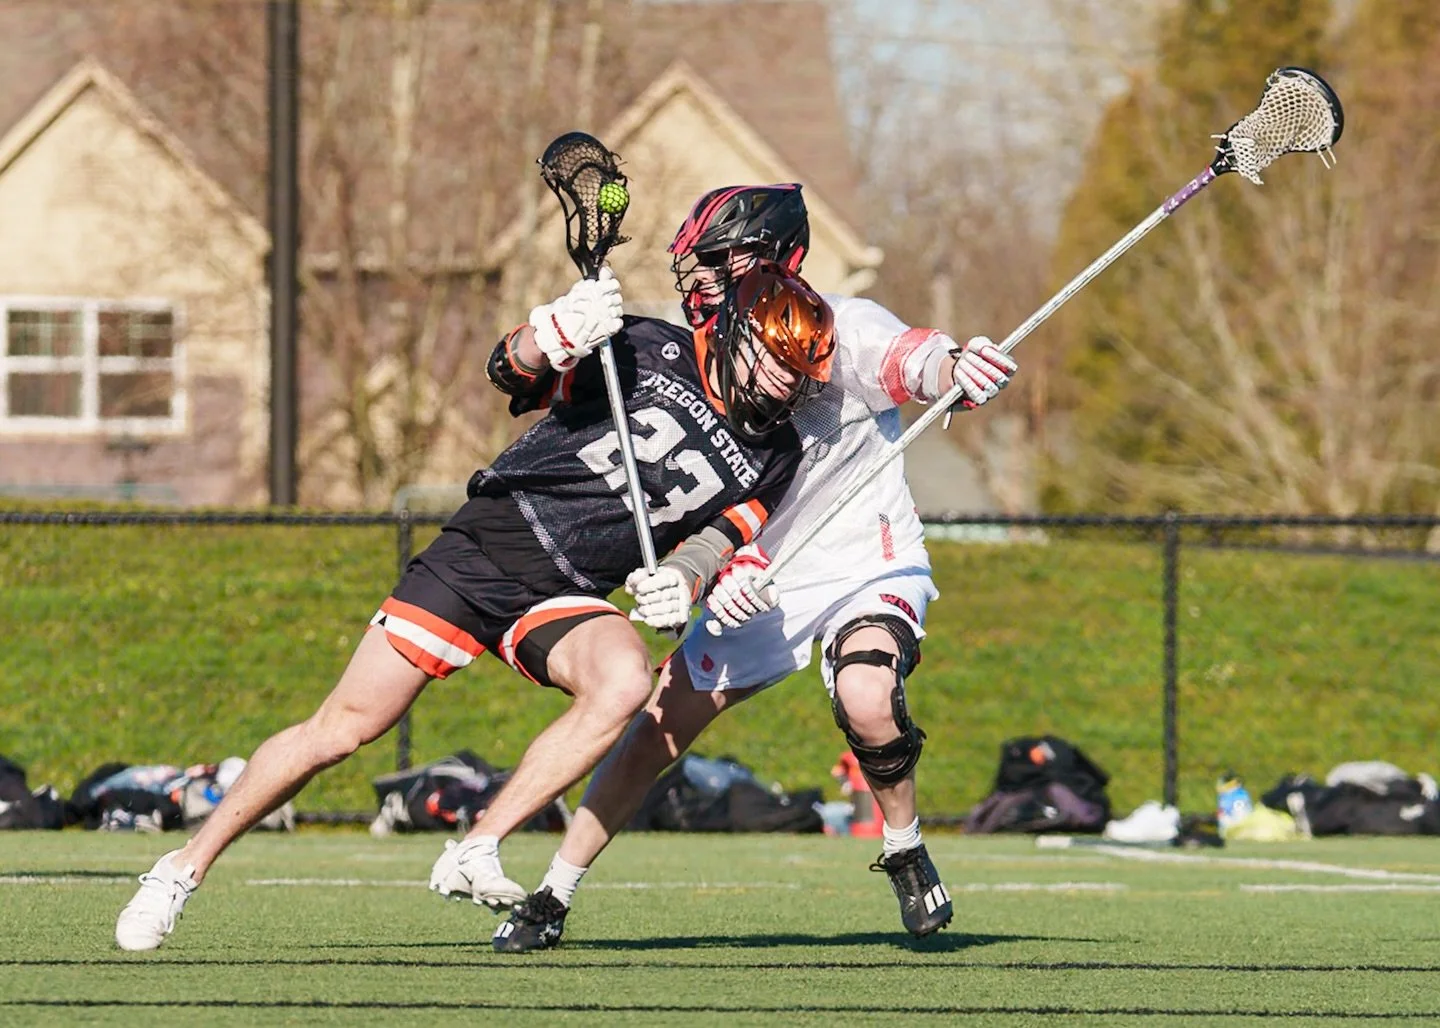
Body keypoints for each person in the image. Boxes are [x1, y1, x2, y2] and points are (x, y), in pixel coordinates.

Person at [113, 260, 838, 952]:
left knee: (624, 683)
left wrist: (682, 578)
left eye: (797, 374)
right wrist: (550, 335)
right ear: (736, 332)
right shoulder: (643, 347)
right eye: (776, 362)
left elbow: (718, 538)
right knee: (343, 729)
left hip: (569, 589)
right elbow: (510, 371)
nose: (783, 385)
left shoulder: (777, 451)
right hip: (490, 547)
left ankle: (477, 845)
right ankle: (181, 868)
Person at [490, 183, 1018, 953]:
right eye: (697, 260)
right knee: (653, 732)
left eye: (717, 259)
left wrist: (962, 369)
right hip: (759, 576)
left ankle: (903, 846)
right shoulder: (691, 350)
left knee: (867, 694)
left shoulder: (845, 328)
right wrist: (708, 572)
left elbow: (918, 362)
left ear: (772, 258)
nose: (700, 275)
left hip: (865, 560)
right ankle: (553, 892)